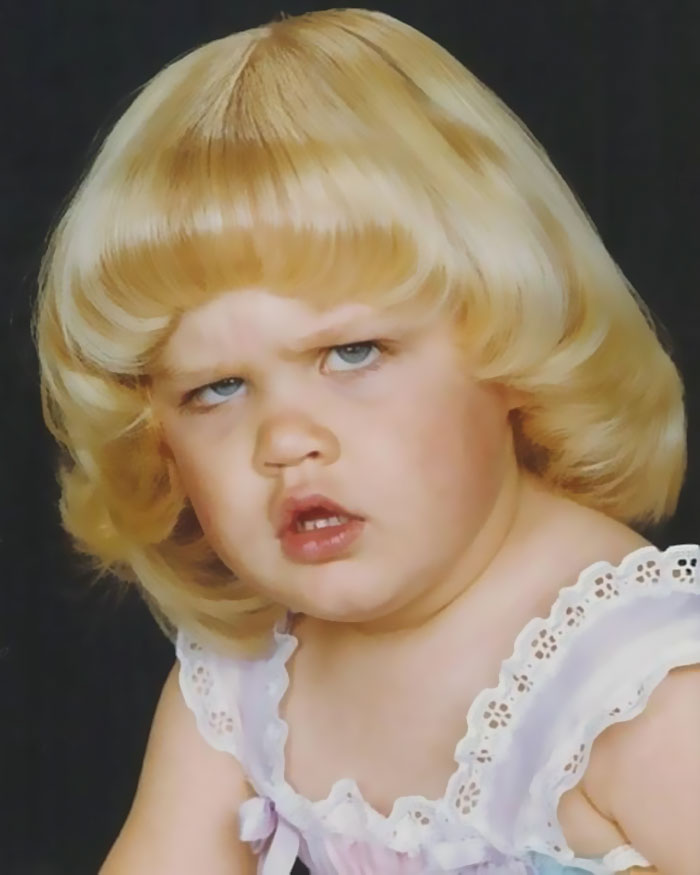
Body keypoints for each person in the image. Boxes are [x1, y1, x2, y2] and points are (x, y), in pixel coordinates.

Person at [34, 8, 699, 874]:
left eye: (352, 353)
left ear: (511, 339)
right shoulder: (250, 681)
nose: (286, 440)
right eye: (217, 388)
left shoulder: (636, 686)